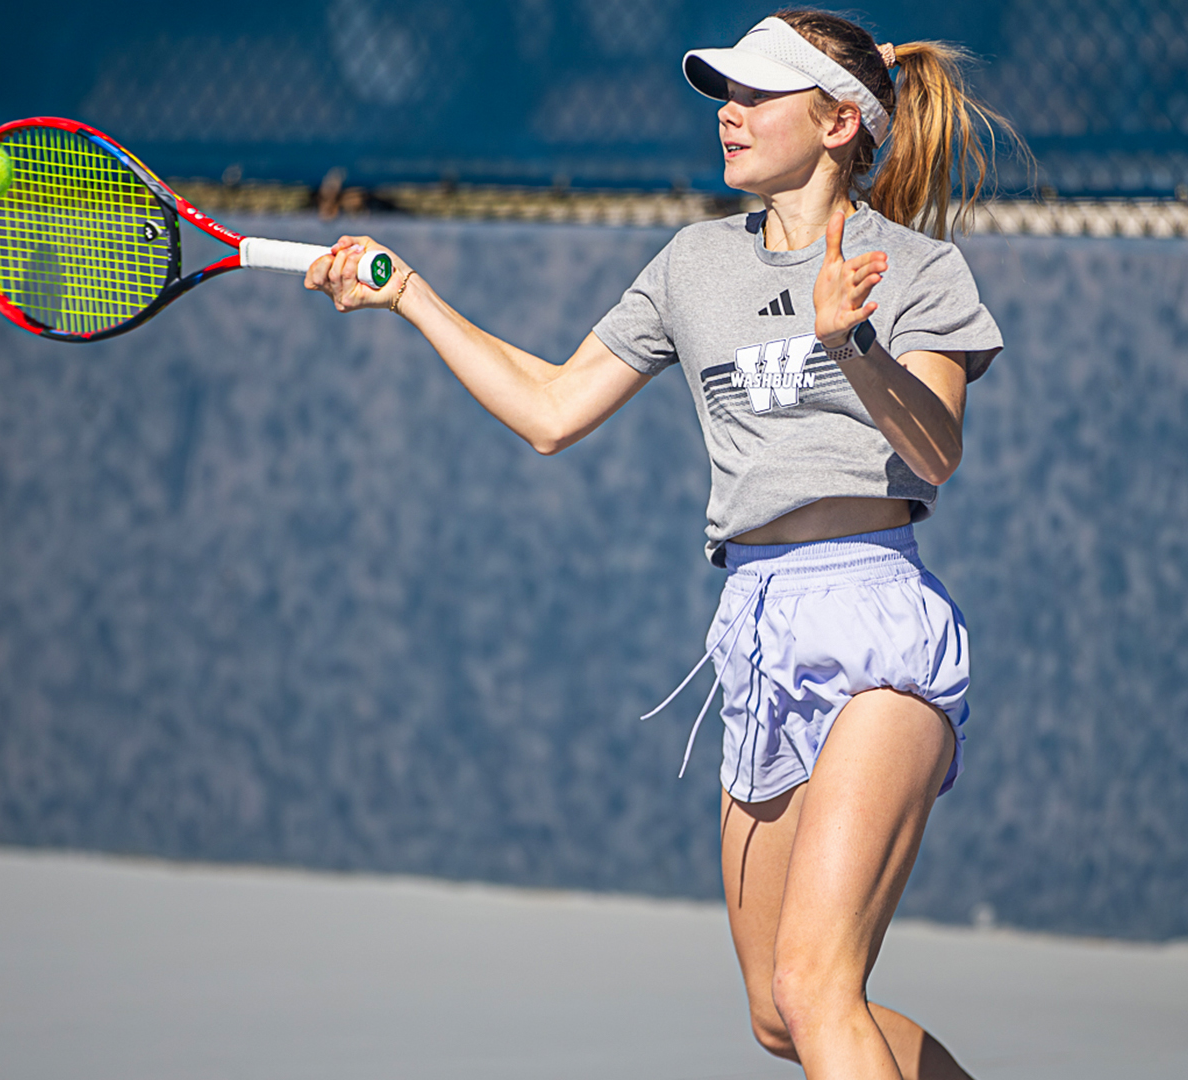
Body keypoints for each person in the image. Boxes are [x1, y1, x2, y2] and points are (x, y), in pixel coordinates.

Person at [306, 10, 1018, 1078]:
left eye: (757, 94)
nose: (728, 113)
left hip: (876, 630)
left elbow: (937, 448)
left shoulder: (914, 269)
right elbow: (551, 409)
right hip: (758, 633)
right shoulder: (692, 266)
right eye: (722, 93)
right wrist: (408, 294)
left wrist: (850, 343)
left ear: (835, 123)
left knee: (821, 985)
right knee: (782, 1013)